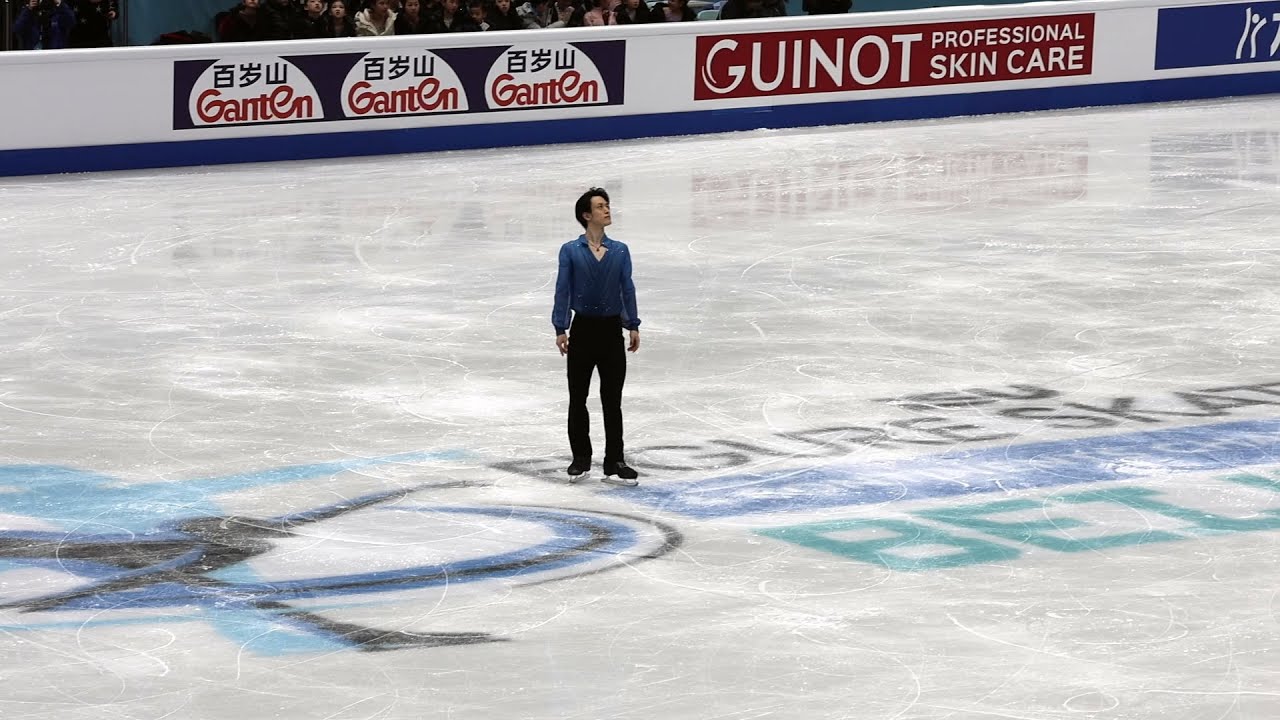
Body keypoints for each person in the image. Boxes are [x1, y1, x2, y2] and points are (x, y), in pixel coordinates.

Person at [552, 188, 641, 486]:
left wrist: (632, 325)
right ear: (586, 215)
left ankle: (615, 461)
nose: (607, 210)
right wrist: (560, 327)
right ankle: (580, 458)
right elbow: (563, 289)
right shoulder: (570, 250)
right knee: (578, 397)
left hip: (611, 331)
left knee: (611, 399)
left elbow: (626, 289)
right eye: (601, 207)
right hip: (583, 331)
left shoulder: (620, 250)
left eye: (608, 205)